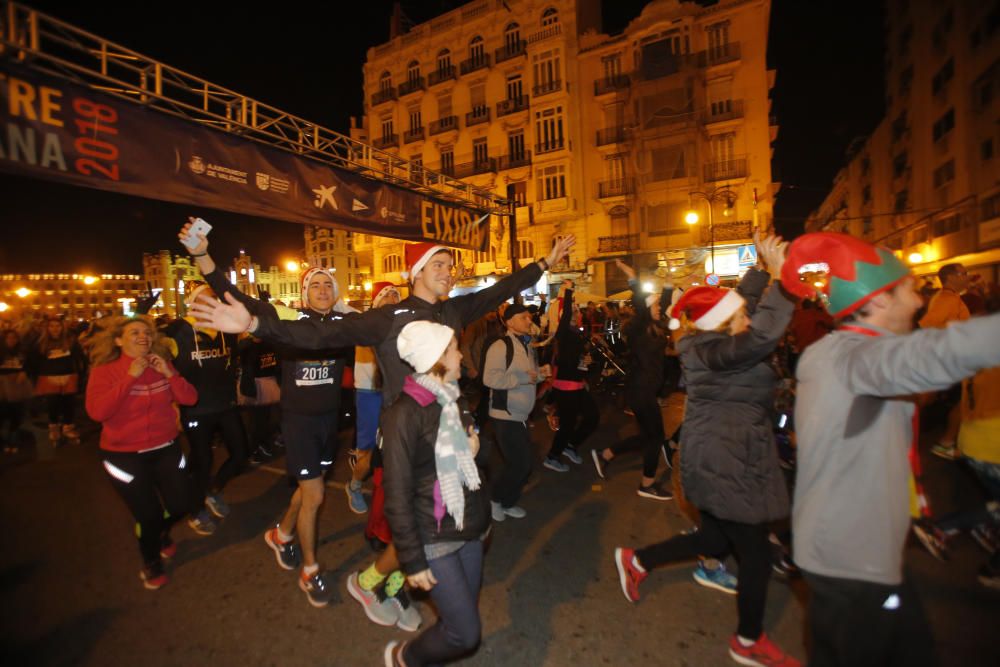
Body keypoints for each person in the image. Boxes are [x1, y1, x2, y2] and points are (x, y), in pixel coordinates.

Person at [782, 232, 1000, 666]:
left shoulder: (839, 354)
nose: (919, 302)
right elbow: (932, 355)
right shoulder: (857, 359)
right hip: (851, 561)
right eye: (911, 290)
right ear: (878, 301)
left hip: (854, 551)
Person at [614, 234, 802, 667]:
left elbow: (740, 302)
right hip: (727, 460)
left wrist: (759, 269)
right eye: (739, 313)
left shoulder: (712, 342)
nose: (747, 314)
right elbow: (760, 338)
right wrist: (785, 279)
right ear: (722, 322)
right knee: (753, 553)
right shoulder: (719, 351)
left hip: (729, 454)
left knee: (715, 537)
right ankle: (748, 640)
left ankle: (639, 559)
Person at [180, 222, 352, 608]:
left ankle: (282, 534)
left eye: (328, 285)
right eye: (315, 286)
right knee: (316, 495)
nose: (323, 291)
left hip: (329, 424)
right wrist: (203, 256)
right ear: (305, 294)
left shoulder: (345, 324)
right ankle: (310, 571)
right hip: (299, 423)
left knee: (308, 493)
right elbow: (238, 297)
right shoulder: (287, 321)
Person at [381, 321, 487, 666]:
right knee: (466, 634)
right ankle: (405, 657)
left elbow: (468, 466)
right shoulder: (404, 413)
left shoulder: (453, 397)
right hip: (433, 532)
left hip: (468, 526)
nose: (460, 353)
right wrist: (412, 559)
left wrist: (469, 452)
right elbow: (395, 494)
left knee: (461, 614)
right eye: (454, 348)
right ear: (437, 357)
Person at [84, 316, 199, 589]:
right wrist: (130, 376)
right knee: (148, 514)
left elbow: (190, 398)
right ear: (118, 340)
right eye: (134, 332)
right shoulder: (105, 371)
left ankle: (158, 532)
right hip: (124, 456)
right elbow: (97, 412)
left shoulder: (162, 365)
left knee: (181, 504)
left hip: (166, 448)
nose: (143, 336)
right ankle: (151, 560)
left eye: (147, 332)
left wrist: (170, 373)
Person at [164, 282, 248, 535]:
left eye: (215, 297)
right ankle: (195, 509)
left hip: (225, 404)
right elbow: (159, 363)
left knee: (241, 453)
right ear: (193, 302)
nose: (213, 301)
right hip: (195, 408)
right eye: (206, 297)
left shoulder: (227, 330)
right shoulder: (178, 330)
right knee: (202, 461)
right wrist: (172, 404)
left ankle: (213, 490)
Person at [592, 260, 674, 500]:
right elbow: (641, 303)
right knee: (655, 438)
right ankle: (646, 485)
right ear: (646, 309)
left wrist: (668, 281)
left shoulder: (656, 325)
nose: (660, 308)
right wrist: (632, 278)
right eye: (656, 305)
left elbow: (664, 304)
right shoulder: (640, 327)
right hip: (640, 391)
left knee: (649, 437)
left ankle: (606, 454)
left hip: (646, 391)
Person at [482, 303, 548, 520]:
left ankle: (507, 502)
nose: (529, 321)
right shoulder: (500, 346)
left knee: (522, 464)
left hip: (520, 415)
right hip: (505, 415)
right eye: (523, 317)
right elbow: (489, 379)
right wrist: (523, 378)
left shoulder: (527, 345)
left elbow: (527, 375)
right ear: (509, 322)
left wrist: (540, 374)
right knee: (520, 464)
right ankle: (495, 500)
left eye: (529, 317)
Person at [349, 281, 401, 514]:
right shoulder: (366, 322)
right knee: (368, 453)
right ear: (377, 301)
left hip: (395, 391)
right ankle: (354, 485)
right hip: (369, 392)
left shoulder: (402, 324)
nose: (392, 298)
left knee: (395, 446)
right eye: (387, 294)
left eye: (396, 294)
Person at [542, 281, 598, 472]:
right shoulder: (563, 332)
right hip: (565, 386)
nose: (576, 313)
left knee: (592, 417)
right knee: (567, 424)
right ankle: (552, 456)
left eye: (577, 311)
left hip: (577, 384)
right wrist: (568, 291)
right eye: (573, 311)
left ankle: (570, 445)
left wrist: (586, 362)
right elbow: (565, 314)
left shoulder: (577, 334)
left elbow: (579, 362)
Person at [918, 262, 971, 461]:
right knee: (961, 400)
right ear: (952, 277)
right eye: (964, 273)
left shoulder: (950, 298)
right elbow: (928, 326)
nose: (967, 276)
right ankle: (946, 442)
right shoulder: (946, 300)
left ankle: (947, 441)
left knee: (958, 400)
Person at [29, 316, 84, 446]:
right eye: (52, 326)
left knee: (68, 404)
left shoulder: (71, 341)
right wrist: (34, 376)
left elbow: (79, 358)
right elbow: (33, 361)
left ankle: (68, 427)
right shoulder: (40, 343)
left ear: (62, 327)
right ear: (47, 328)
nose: (55, 329)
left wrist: (81, 374)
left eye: (57, 326)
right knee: (52, 404)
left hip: (69, 376)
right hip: (48, 377)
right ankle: (53, 428)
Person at [0, 330, 32, 453]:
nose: (11, 340)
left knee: (17, 410)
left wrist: (25, 371)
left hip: (18, 384)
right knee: (2, 411)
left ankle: (13, 437)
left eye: (14, 337)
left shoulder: (22, 352)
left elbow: (29, 364)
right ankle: (5, 439)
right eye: (8, 338)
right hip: (2, 384)